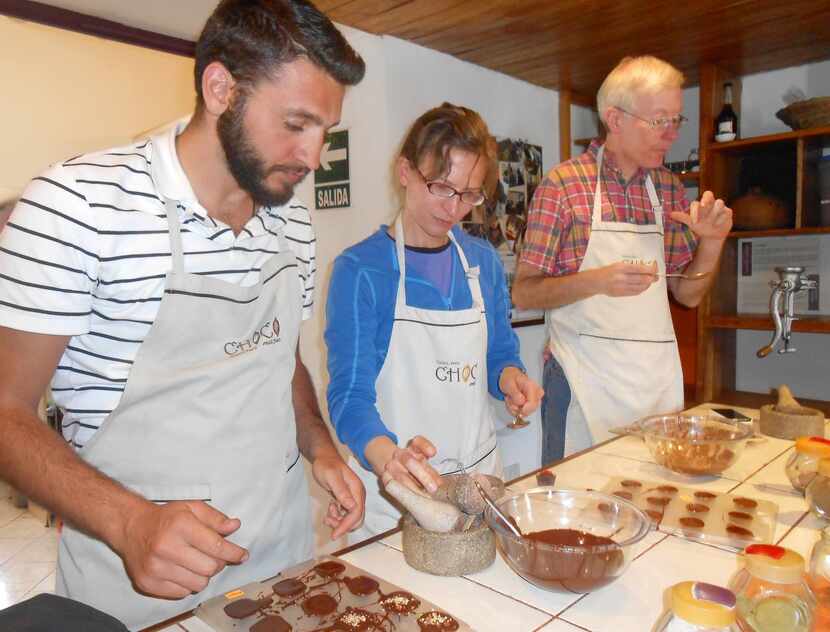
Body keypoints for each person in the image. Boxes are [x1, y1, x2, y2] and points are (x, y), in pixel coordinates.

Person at [0, 1, 366, 628]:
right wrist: (131, 522)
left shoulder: (293, 222)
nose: (312, 156)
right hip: (138, 588)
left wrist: (320, 447)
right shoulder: (80, 206)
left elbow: (282, 357)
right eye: (297, 124)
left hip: (281, 564)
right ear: (221, 87)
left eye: (324, 131)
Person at [325, 103, 543, 541]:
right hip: (400, 496)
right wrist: (388, 457)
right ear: (405, 171)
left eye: (470, 194)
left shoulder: (481, 261)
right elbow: (349, 397)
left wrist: (512, 378)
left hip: (477, 486)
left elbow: (498, 353)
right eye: (442, 187)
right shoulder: (361, 270)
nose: (453, 208)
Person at [513, 56, 732, 462]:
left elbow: (688, 293)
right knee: (578, 506)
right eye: (658, 120)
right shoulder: (563, 186)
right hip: (583, 385)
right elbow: (524, 293)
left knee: (653, 505)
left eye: (676, 121)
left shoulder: (668, 188)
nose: (670, 135)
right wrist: (596, 281)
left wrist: (713, 243)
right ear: (615, 119)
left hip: (653, 387)